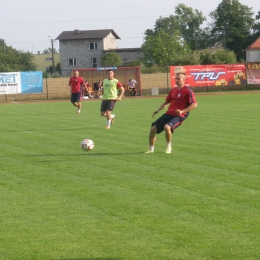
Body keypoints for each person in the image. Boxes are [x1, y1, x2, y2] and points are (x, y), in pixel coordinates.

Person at [145, 66, 197, 154]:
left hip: (180, 115)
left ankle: (168, 146)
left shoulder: (188, 91)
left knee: (167, 127)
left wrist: (182, 111)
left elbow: (194, 104)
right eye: (176, 78)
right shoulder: (173, 90)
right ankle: (151, 149)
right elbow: (166, 102)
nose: (176, 80)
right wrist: (158, 110)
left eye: (178, 79)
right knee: (153, 129)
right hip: (169, 113)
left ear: (184, 79)